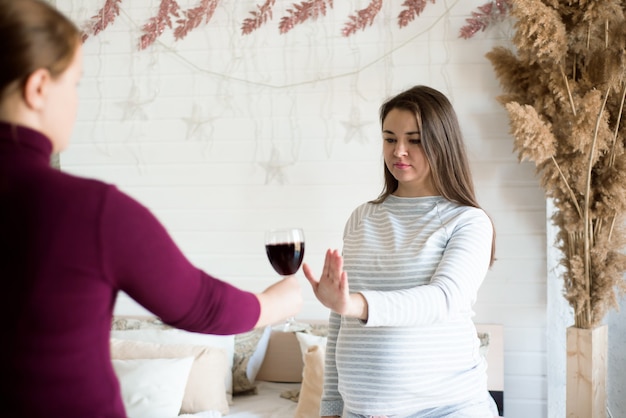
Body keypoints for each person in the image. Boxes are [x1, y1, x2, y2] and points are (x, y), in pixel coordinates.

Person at [0, 1, 302, 416]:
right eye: (73, 84)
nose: (74, 102)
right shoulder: (91, 211)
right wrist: (275, 304)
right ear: (37, 88)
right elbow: (200, 304)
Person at [303, 85, 499, 418]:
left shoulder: (468, 221)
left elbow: (443, 300)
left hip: (448, 409)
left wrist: (357, 304)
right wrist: (332, 406)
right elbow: (340, 321)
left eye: (415, 139)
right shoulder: (362, 217)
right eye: (390, 138)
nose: (399, 151)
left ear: (442, 143)